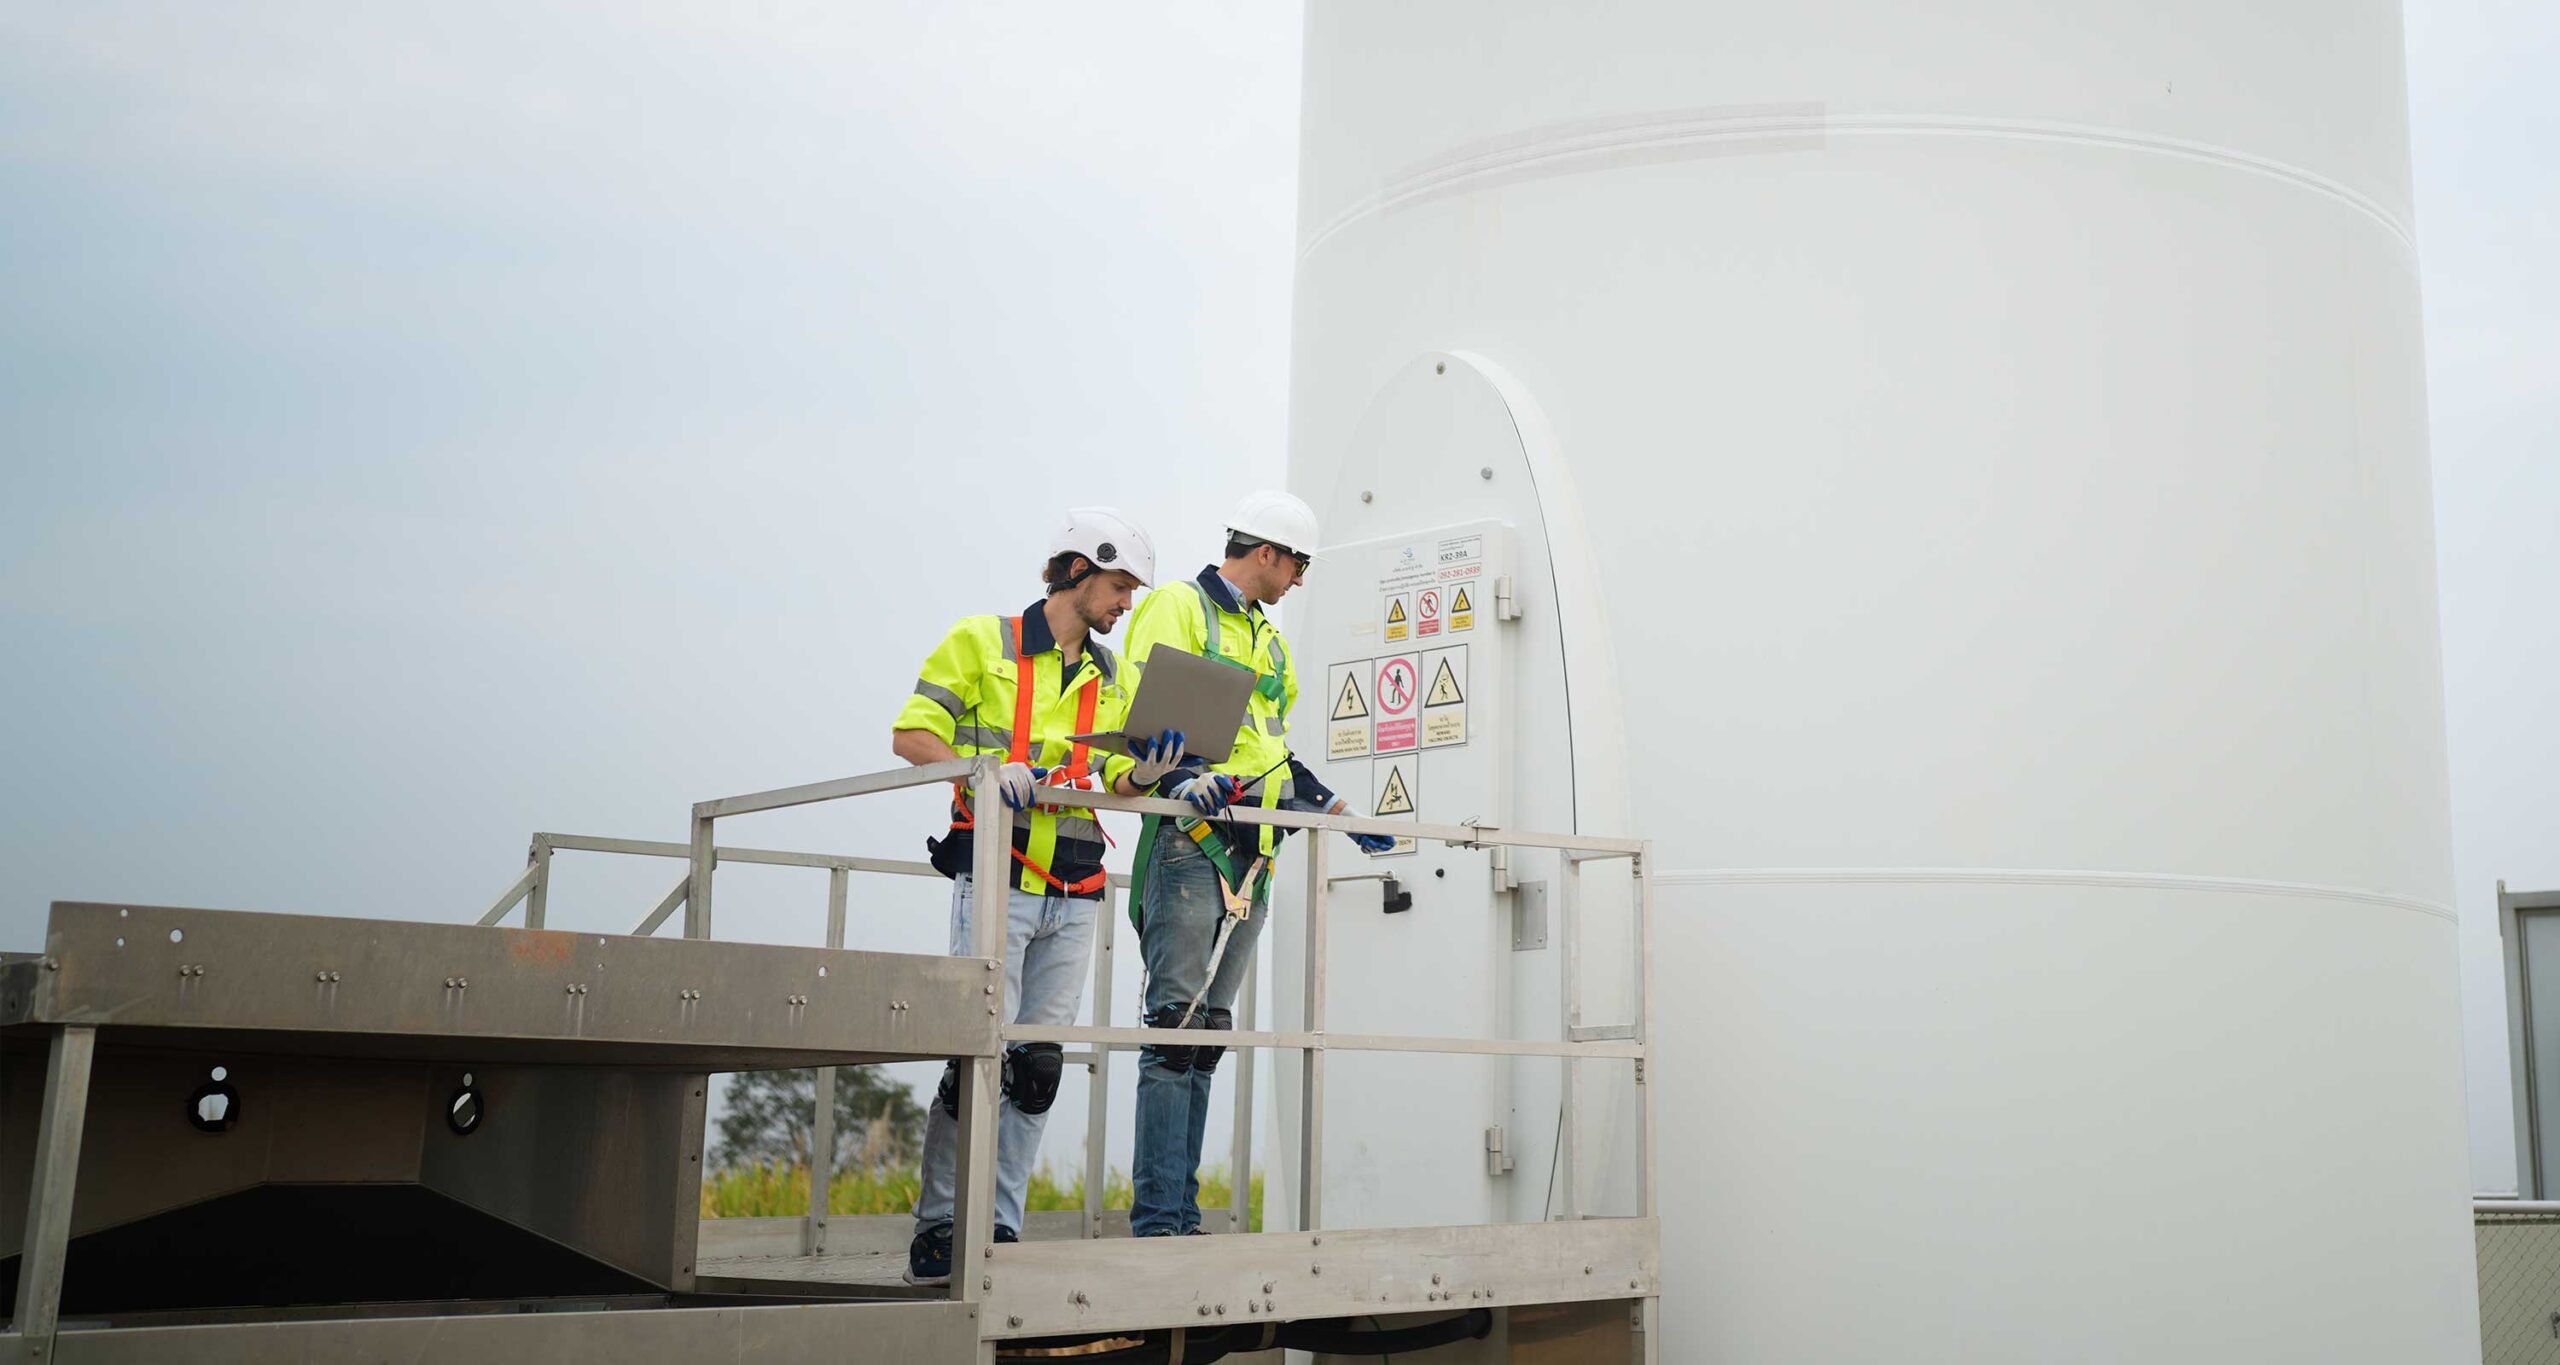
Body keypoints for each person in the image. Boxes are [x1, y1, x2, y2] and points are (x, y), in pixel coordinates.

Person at [892, 507, 1190, 1284]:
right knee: (976, 1060)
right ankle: (941, 1228)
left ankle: (997, 1226)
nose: (1126, 603)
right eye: (1120, 586)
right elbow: (912, 734)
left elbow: (1118, 778)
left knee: (1036, 1070)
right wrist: (982, 770)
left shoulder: (1115, 675)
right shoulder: (980, 641)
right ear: (1075, 571)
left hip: (1078, 886)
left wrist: (1151, 769)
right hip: (997, 877)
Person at [1119, 490, 1398, 1237]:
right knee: (1174, 1025)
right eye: (1298, 563)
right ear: (1267, 552)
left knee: (1207, 1030)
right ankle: (1157, 1222)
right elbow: (1140, 721)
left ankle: (1180, 1214)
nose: (1300, 579)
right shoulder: (1180, 607)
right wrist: (1177, 778)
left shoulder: (1266, 640)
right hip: (1192, 840)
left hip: (1254, 853)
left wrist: (1335, 809)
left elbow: (1270, 746)